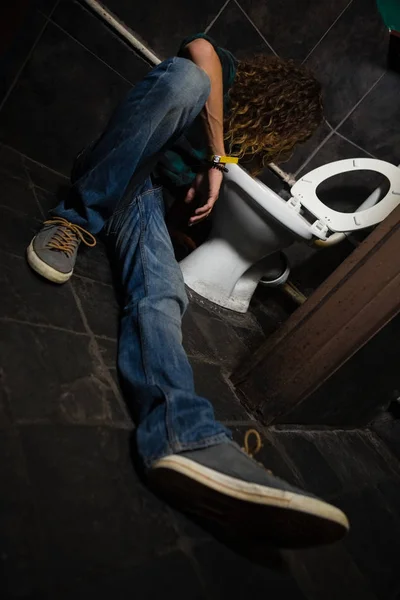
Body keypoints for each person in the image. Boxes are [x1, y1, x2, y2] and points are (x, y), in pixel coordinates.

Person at [26, 34, 349, 547]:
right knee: (186, 78)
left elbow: (179, 206)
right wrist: (219, 162)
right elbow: (198, 49)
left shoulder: (241, 152)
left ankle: (185, 436)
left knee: (165, 292)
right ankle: (72, 218)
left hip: (143, 200)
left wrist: (187, 219)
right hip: (112, 169)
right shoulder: (224, 74)